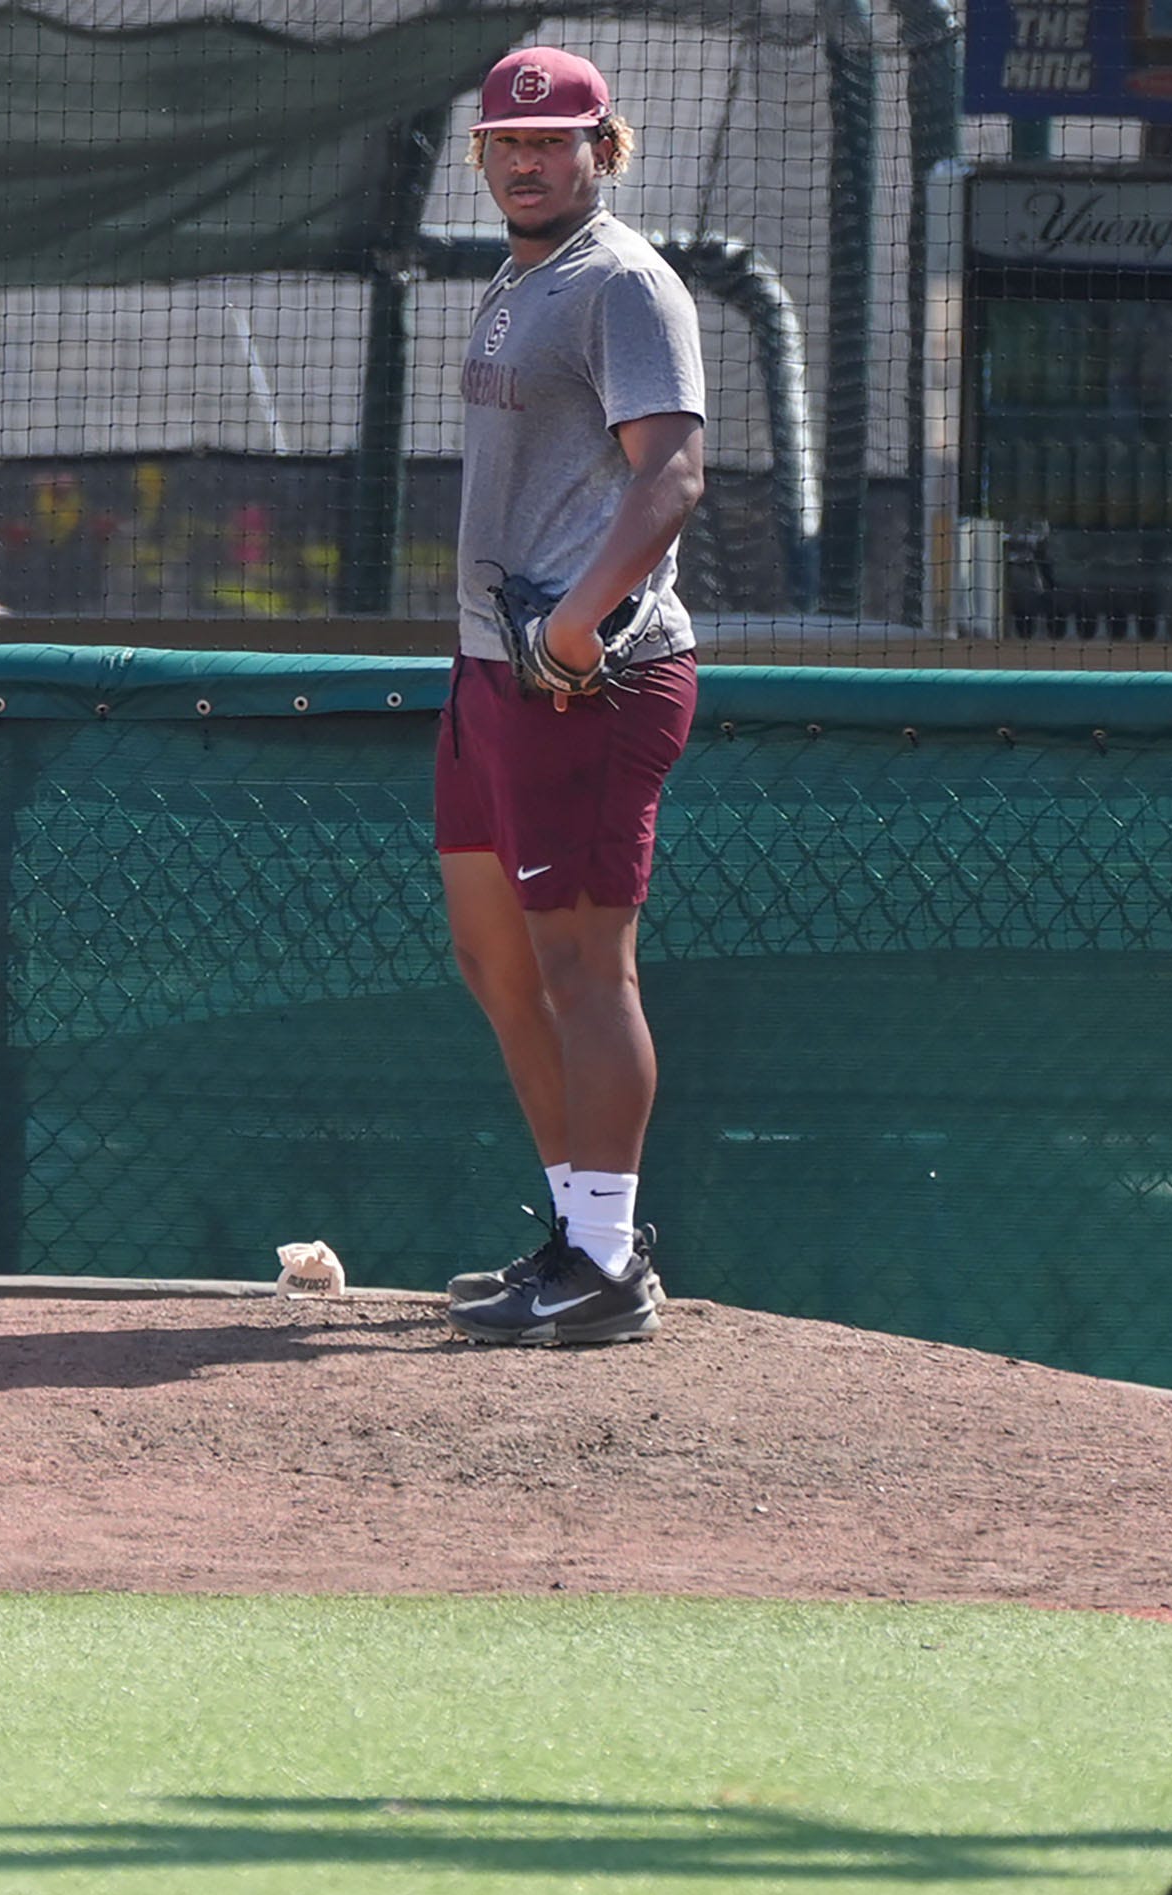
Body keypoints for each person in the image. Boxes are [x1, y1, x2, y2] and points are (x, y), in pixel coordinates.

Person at [433, 47, 710, 1347]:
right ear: (481, 156)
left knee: (580, 966)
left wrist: (579, 620)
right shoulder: (514, 279)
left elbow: (671, 478)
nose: (528, 161)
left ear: (604, 146)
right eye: (506, 142)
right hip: (491, 672)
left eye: (554, 142)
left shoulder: (623, 283)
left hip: (586, 686)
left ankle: (607, 1262)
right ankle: (573, 1232)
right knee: (493, 958)